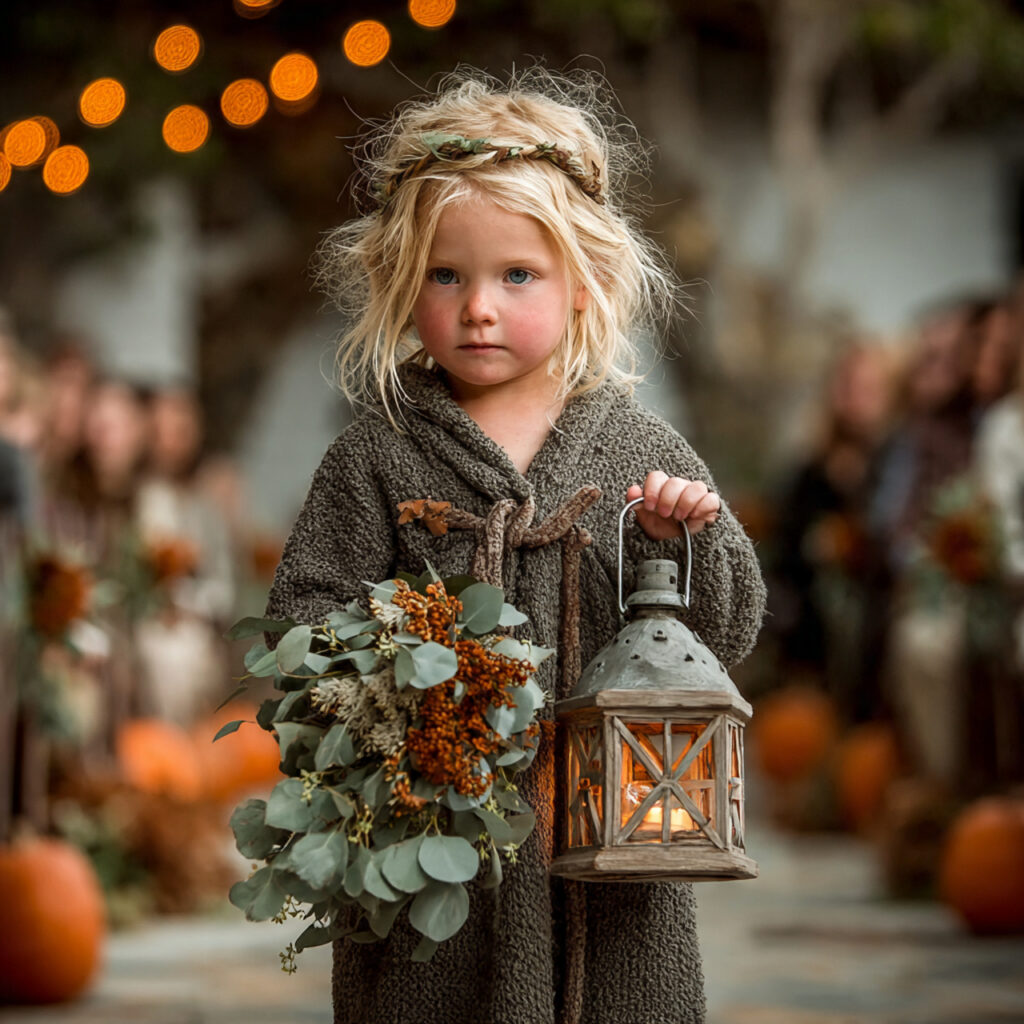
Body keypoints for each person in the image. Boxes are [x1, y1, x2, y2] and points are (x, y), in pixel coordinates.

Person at [265, 65, 765, 1024]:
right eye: (445, 275)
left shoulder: (639, 451)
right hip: (432, 843)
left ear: (585, 283)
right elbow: (303, 625)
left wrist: (679, 545)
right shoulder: (377, 455)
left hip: (608, 851)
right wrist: (401, 674)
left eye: (516, 275)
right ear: (402, 282)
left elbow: (728, 632)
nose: (478, 307)